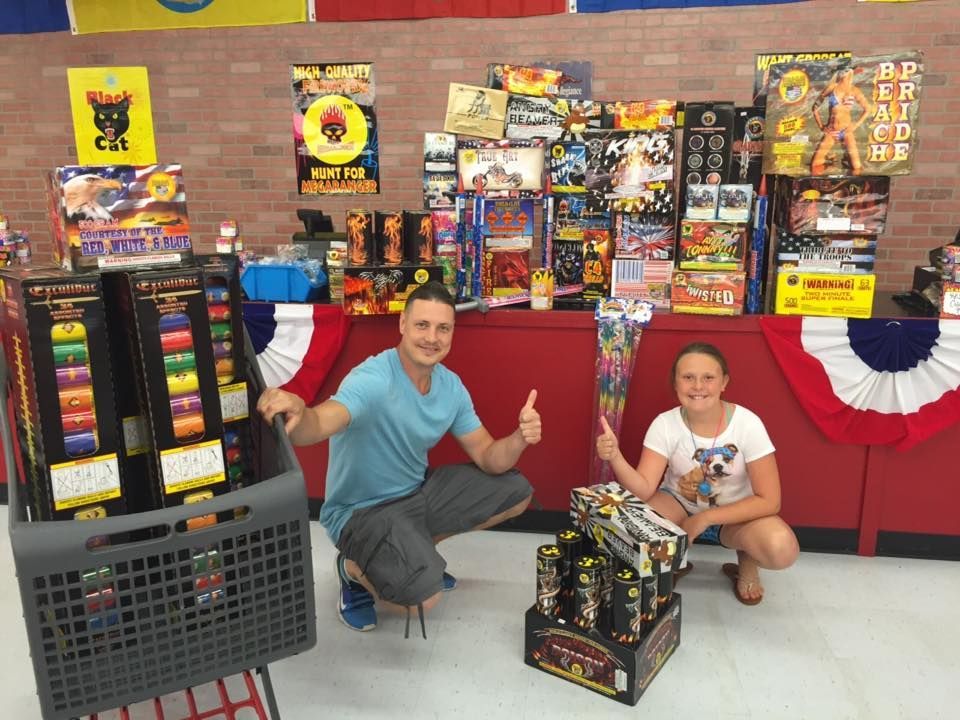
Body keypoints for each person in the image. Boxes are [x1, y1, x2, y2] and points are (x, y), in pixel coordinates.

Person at [257, 281, 539, 634]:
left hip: (415, 493)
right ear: (402, 325)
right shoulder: (372, 379)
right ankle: (352, 568)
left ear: (452, 333)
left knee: (517, 491)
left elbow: (488, 456)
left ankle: (416, 553)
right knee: (422, 601)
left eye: (443, 328)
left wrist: (519, 438)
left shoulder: (450, 387)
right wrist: (299, 412)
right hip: (361, 512)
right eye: (422, 325)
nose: (431, 337)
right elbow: (320, 422)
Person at [595, 342, 798, 605]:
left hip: (734, 515)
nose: (698, 386)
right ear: (676, 384)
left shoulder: (748, 423)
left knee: (782, 547)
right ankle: (673, 559)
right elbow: (643, 489)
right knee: (630, 533)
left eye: (709, 378)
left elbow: (770, 501)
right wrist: (615, 457)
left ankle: (746, 558)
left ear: (724, 382)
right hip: (679, 504)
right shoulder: (665, 424)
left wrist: (705, 519)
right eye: (688, 377)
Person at [810, 67, 873, 176]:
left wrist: (855, 125)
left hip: (847, 132)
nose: (843, 73)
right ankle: (830, 166)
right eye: (842, 71)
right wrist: (821, 126)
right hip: (832, 131)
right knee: (815, 165)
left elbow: (868, 109)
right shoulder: (832, 87)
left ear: (850, 73)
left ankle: (854, 188)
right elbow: (815, 107)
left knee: (857, 166)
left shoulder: (854, 90)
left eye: (846, 71)